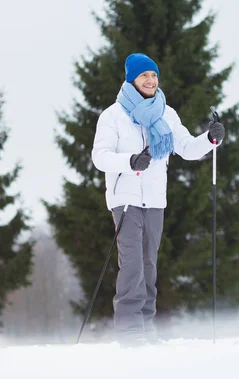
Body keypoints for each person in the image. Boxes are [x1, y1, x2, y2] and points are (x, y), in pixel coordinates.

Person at [91, 53, 225, 346]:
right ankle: (129, 329)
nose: (150, 81)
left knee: (149, 265)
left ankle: (146, 328)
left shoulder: (167, 114)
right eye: (144, 76)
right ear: (132, 80)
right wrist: (130, 161)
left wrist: (211, 138)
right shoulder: (113, 116)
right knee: (132, 265)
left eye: (153, 75)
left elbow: (188, 148)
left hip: (154, 200)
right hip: (125, 199)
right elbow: (99, 157)